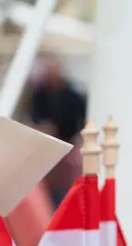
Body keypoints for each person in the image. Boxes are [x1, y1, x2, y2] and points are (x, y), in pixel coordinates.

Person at [29, 56, 87, 206]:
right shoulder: (39, 94)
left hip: (68, 144)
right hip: (48, 146)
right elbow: (35, 117)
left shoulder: (72, 95)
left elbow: (80, 118)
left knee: (65, 182)